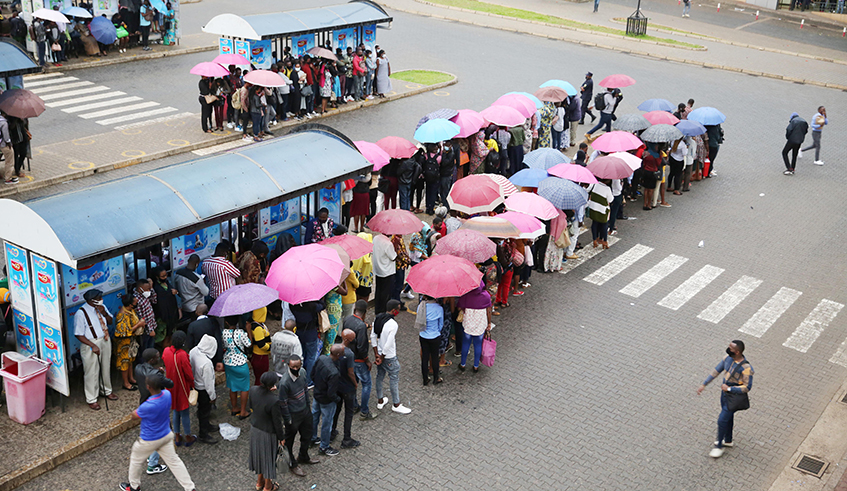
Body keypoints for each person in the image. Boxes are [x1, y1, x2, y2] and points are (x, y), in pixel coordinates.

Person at [119, 377, 196, 491]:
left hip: (149, 440)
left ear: (148, 387)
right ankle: (190, 487)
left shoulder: (147, 405)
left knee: (136, 460)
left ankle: (134, 487)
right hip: (165, 435)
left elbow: (134, 416)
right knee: (175, 462)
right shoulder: (166, 394)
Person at [697, 340, 754, 459]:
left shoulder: (746, 368)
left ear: (737, 352)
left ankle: (719, 446)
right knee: (728, 417)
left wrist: (729, 389)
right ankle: (728, 440)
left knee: (722, 420)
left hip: (733, 397)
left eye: (731, 348)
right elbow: (716, 371)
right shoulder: (727, 358)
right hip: (724, 395)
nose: (728, 349)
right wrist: (704, 384)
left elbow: (747, 387)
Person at [73, 289, 118, 411]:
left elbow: (110, 321)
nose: (100, 299)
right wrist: (92, 345)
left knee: (105, 366)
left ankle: (106, 390)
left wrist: (105, 314)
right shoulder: (81, 313)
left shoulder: (101, 307)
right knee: (92, 371)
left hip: (105, 339)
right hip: (91, 343)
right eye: (98, 298)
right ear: (91, 300)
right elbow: (78, 334)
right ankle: (92, 399)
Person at [278, 354, 319, 477]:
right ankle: (292, 464)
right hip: (293, 416)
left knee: (307, 435)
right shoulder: (284, 383)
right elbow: (283, 403)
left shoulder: (303, 372)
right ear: (288, 366)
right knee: (289, 442)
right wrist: (288, 420)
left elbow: (305, 390)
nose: (295, 369)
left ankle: (303, 456)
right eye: (293, 367)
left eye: (298, 366)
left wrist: (308, 406)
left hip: (305, 411)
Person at [371, 300, 412, 414]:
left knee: (380, 376)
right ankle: (396, 404)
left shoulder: (377, 318)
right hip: (388, 356)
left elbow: (373, 336)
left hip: (379, 353)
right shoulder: (393, 324)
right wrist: (383, 357)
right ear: (394, 310)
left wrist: (376, 354)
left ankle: (380, 400)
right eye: (398, 309)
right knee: (394, 378)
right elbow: (389, 343)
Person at [248, 372, 285, 491]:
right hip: (268, 433)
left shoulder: (253, 390)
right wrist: (282, 437)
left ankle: (259, 482)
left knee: (259, 456)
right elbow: (277, 422)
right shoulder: (274, 400)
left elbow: (251, 405)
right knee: (268, 458)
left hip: (255, 429)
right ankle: (268, 486)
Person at [345, 300, 378, 420]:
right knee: (366, 384)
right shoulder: (361, 326)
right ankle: (364, 411)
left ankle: (354, 406)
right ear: (364, 313)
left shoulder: (347, 319)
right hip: (359, 361)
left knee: (353, 384)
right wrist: (367, 360)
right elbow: (362, 347)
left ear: (354, 310)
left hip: (349, 358)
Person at [163, 331, 195, 447]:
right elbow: (188, 374)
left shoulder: (166, 351)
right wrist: (192, 384)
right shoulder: (182, 355)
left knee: (175, 410)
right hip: (182, 387)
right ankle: (188, 436)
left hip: (170, 386)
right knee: (184, 412)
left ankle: (177, 435)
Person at [311, 344, 343, 456]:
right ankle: (324, 447)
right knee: (326, 423)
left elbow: (312, 375)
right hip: (327, 401)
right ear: (338, 355)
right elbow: (331, 393)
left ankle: (312, 438)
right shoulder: (334, 372)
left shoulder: (321, 358)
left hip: (317, 394)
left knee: (314, 417)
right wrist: (337, 399)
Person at [330, 329, 360, 448]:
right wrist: (355, 384)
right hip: (348, 388)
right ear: (348, 339)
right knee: (348, 413)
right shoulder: (349, 354)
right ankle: (347, 438)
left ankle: (332, 432)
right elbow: (351, 372)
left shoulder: (335, 349)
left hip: (337, 386)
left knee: (336, 410)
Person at [189, 334, 218, 444]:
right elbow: (209, 383)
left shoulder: (194, 351)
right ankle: (203, 433)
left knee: (202, 409)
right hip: (203, 389)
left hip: (195, 385)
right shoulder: (206, 363)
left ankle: (207, 426)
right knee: (204, 411)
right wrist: (212, 396)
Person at [457, 281, 492, 372]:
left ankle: (463, 364)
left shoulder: (466, 295)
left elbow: (459, 307)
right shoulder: (486, 296)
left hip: (468, 323)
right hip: (480, 324)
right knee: (478, 345)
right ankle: (476, 366)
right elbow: (489, 311)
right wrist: (489, 323)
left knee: (465, 344)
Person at [222, 315, 252, 419]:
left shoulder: (224, 333)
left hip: (228, 362)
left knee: (232, 386)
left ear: (226, 322)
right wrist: (249, 331)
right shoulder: (241, 333)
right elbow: (249, 344)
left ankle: (234, 407)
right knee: (244, 387)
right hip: (240, 362)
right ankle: (243, 411)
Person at [115, 294, 145, 391]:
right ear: (130, 305)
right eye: (134, 302)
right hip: (124, 343)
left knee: (131, 360)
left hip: (132, 341)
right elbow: (124, 332)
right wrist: (139, 324)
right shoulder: (122, 315)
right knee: (124, 362)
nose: (136, 302)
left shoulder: (130, 310)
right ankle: (126, 383)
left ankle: (131, 378)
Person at [416, 295, 444, 385]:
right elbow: (441, 324)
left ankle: (425, 379)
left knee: (425, 357)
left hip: (423, 335)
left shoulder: (421, 306)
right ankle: (436, 378)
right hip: (435, 336)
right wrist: (437, 332)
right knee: (435, 357)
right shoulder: (439, 308)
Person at [151, 266, 180, 345]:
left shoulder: (167, 282)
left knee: (171, 332)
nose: (165, 277)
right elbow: (160, 301)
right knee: (165, 335)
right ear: (157, 277)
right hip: (163, 315)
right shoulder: (156, 288)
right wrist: (170, 293)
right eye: (162, 276)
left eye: (166, 275)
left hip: (172, 313)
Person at [174, 254, 208, 320]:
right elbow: (206, 292)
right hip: (196, 308)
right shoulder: (197, 278)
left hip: (184, 305)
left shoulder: (178, 273)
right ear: (197, 264)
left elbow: (176, 288)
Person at [373, 233, 398, 314]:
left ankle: (378, 310)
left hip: (378, 270)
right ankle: (384, 311)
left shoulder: (376, 238)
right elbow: (393, 257)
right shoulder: (388, 244)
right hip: (387, 271)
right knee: (386, 293)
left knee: (379, 291)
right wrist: (395, 245)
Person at [587, 179, 614, 249]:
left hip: (594, 208)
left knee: (594, 223)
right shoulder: (607, 189)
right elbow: (610, 200)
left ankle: (594, 240)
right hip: (603, 210)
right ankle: (604, 241)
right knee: (604, 225)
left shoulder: (594, 184)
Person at [133, 279, 158, 352]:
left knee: (151, 346)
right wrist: (150, 330)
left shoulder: (145, 295)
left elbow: (154, 300)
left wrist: (152, 288)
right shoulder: (137, 300)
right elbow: (141, 318)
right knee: (146, 349)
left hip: (151, 325)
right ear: (140, 289)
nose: (148, 291)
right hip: (145, 330)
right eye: (147, 289)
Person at [0, 112, 17, 185]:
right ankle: (8, 178)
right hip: (3, 144)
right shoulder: (4, 123)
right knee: (9, 161)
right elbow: (6, 136)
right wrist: (9, 143)